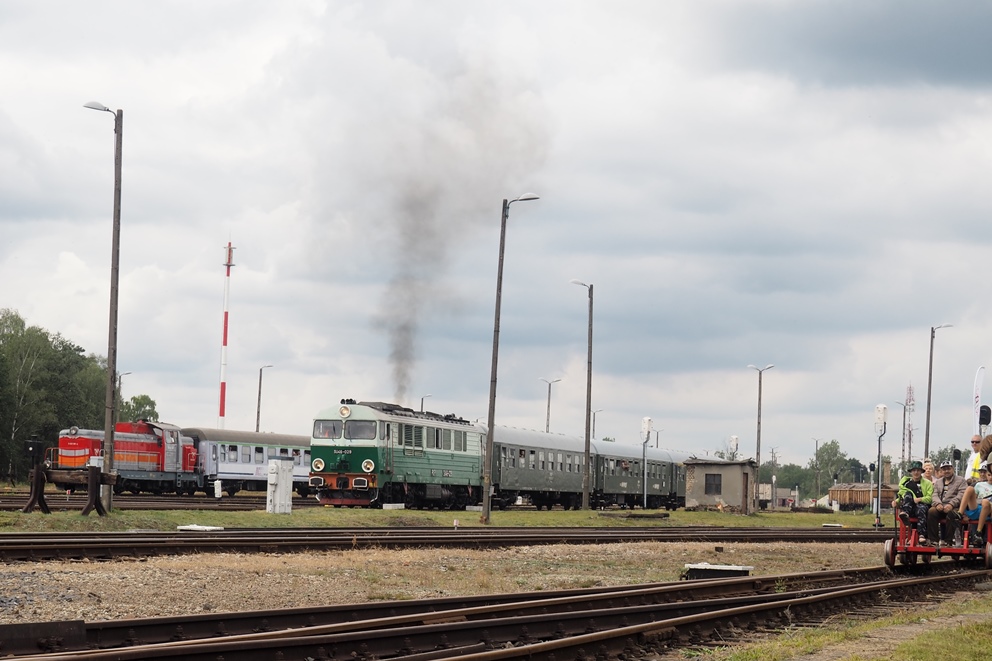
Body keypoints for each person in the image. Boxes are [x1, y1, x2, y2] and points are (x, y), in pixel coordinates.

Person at [926, 460, 967, 546]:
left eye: (948, 468)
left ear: (952, 469)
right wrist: (937, 504)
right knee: (931, 511)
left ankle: (948, 541)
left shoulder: (961, 480)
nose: (946, 471)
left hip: (954, 507)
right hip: (940, 506)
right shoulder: (938, 482)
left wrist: (951, 504)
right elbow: (934, 494)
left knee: (952, 514)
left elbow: (962, 495)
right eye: (944, 469)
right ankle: (934, 540)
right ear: (941, 471)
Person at [893, 461, 932, 542]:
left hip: (923, 507)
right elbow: (901, 496)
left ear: (921, 471)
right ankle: (905, 514)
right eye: (914, 470)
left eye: (918, 470)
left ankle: (921, 534)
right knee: (908, 493)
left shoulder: (928, 483)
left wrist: (920, 499)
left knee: (920, 508)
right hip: (910, 508)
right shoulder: (906, 484)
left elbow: (930, 498)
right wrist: (896, 502)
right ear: (911, 472)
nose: (916, 472)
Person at [960, 462, 992, 547]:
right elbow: (974, 498)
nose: (990, 477)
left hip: (989, 510)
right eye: (989, 475)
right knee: (970, 488)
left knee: (985, 502)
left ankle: (978, 532)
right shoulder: (978, 485)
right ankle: (959, 513)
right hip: (977, 508)